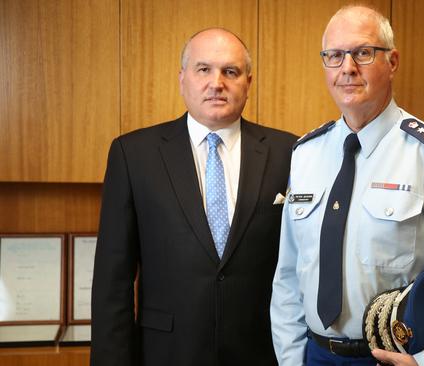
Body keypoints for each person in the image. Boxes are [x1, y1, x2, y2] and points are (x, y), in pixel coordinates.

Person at [270, 5, 424, 366]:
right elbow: (288, 275)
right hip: (313, 355)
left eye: (363, 53)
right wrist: (291, 359)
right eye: (334, 56)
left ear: (392, 62)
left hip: (394, 360)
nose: (347, 68)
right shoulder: (305, 154)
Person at [91, 28, 296, 366]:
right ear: (182, 78)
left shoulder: (289, 151)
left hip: (262, 353)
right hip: (166, 353)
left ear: (248, 82)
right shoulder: (134, 154)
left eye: (230, 71)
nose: (217, 82)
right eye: (204, 69)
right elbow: (113, 280)